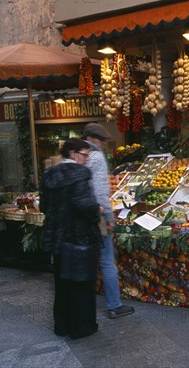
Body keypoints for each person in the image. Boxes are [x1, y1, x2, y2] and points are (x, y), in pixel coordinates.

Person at [40, 138, 102, 339]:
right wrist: (97, 210)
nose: (86, 160)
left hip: (58, 238)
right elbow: (83, 204)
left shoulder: (50, 174)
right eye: (85, 155)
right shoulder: (80, 174)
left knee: (62, 283)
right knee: (81, 284)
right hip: (78, 237)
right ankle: (81, 327)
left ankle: (62, 326)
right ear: (74, 153)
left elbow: (43, 207)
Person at [83, 123, 135, 319]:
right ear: (93, 139)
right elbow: (100, 191)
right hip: (97, 214)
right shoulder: (96, 157)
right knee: (107, 260)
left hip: (83, 214)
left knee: (88, 260)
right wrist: (109, 217)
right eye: (102, 140)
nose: (104, 144)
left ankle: (85, 303)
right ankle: (114, 305)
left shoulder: (77, 156)